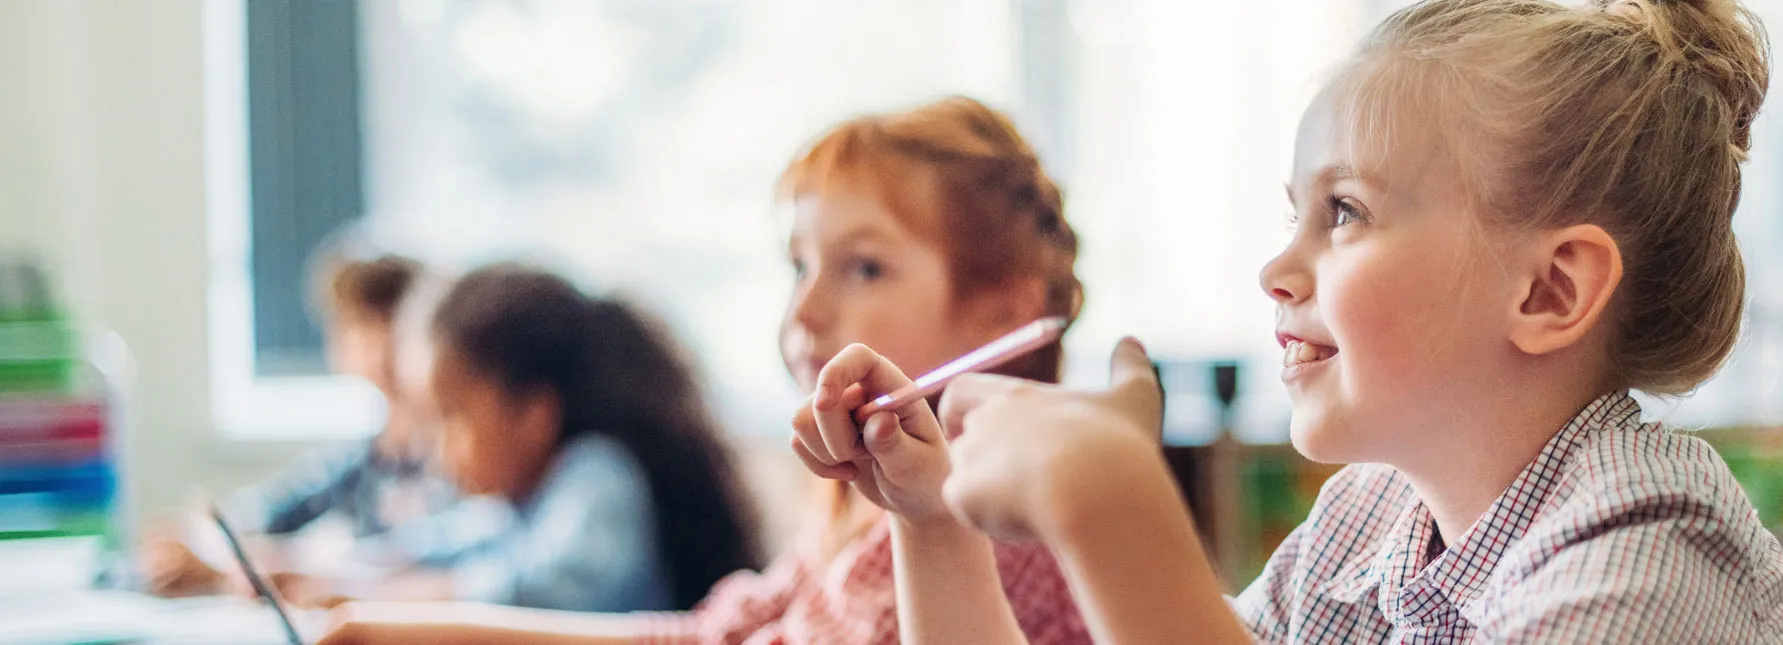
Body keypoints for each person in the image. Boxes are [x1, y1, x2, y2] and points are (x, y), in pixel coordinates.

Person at [795, 1, 1783, 642]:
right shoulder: (1367, 524)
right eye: (1291, 214)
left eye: (1343, 212)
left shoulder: (1648, 555)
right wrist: (930, 521)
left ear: (1549, 293)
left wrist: (1114, 508)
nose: (1275, 270)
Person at [316, 97, 1093, 644]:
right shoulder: (866, 506)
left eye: (863, 268)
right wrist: (397, 631)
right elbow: (706, 636)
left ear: (1004, 312)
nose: (806, 308)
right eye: (799, 265)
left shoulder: (994, 515)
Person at [289, 264, 763, 613]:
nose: (435, 450)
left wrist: (391, 596)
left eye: (450, 418)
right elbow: (444, 543)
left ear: (534, 415)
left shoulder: (598, 474)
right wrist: (333, 572)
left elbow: (548, 588)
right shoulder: (523, 500)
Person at [140, 252, 450, 597]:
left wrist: (267, 564)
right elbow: (265, 511)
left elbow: (426, 554)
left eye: (388, 323)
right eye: (357, 326)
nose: (376, 345)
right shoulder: (366, 459)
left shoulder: (461, 461)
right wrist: (200, 543)